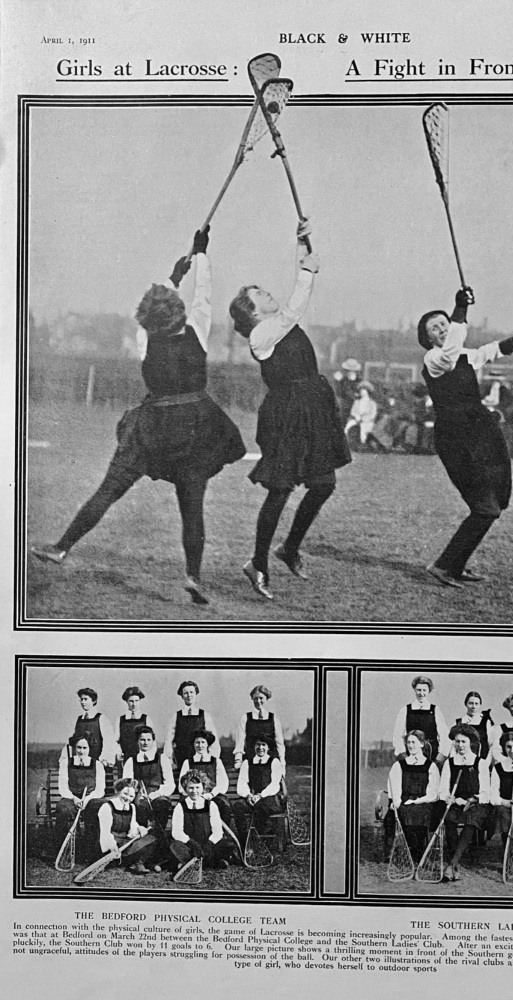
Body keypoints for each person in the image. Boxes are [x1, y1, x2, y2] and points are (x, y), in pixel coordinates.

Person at [31, 227, 246, 605]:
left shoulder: (146, 338)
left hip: (153, 426)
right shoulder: (197, 328)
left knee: (109, 490)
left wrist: (173, 275)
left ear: (147, 320)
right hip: (197, 425)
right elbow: (204, 295)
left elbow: (155, 308)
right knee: (192, 503)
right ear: (179, 312)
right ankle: (193, 575)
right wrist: (203, 256)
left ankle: (62, 547)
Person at [230, 220, 351, 600]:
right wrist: (305, 270)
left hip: (314, 406)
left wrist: (302, 246)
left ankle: (290, 547)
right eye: (261, 294)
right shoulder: (261, 334)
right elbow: (293, 309)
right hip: (286, 413)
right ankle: (258, 563)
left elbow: (292, 310)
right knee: (280, 489)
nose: (269, 294)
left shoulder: (279, 325)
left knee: (324, 484)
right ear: (252, 312)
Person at [418, 286, 513, 587]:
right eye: (434, 328)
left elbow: (491, 351)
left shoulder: (461, 354)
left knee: (492, 506)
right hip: (456, 440)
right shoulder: (435, 359)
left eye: (443, 323)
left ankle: (455, 565)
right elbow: (450, 352)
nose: (441, 329)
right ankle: (444, 565)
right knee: (485, 508)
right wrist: (460, 310)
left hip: (479, 433)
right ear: (429, 339)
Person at [439, 724, 491, 881]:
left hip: (475, 803)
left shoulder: (479, 762)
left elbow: (485, 792)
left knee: (471, 820)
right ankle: (455, 863)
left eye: (463, 742)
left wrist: (473, 799)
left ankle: (452, 863)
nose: (460, 745)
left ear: (471, 743)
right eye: (457, 741)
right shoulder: (450, 763)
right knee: (449, 819)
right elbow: (443, 788)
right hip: (454, 802)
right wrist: (447, 797)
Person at [385, 731, 440, 862]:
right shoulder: (399, 765)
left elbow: (432, 793)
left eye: (413, 742)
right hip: (403, 800)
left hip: (424, 801)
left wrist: (418, 801)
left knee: (418, 813)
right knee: (399, 813)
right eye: (408, 742)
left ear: (421, 744)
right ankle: (408, 850)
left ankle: (417, 850)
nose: (410, 745)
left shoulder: (430, 766)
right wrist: (396, 801)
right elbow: (394, 785)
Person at [170, 770, 233, 872]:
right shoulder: (180, 806)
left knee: (227, 843)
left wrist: (209, 844)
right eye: (190, 788)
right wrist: (192, 843)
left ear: (203, 788)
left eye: (197, 787)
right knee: (175, 845)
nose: (194, 791)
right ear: (185, 789)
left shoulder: (211, 805)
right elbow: (177, 832)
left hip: (207, 844)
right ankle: (192, 862)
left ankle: (210, 860)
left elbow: (217, 831)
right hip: (189, 845)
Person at [232, 735, 285, 847]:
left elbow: (275, 784)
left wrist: (260, 795)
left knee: (261, 809)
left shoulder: (274, 762)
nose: (260, 747)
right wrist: (249, 796)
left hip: (268, 798)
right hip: (251, 797)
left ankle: (254, 841)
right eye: (257, 744)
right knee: (237, 806)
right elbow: (242, 782)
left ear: (268, 747)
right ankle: (244, 839)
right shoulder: (247, 763)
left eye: (263, 745)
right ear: (253, 746)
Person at [94, 777, 155, 874]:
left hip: (124, 841)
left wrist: (138, 829)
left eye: (131, 796)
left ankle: (135, 863)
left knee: (150, 839)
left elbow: (131, 830)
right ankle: (114, 860)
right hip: (110, 841)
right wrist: (112, 846)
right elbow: (105, 832)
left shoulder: (131, 807)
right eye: (125, 794)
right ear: (118, 791)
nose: (127, 798)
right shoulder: (107, 806)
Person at [55, 735, 106, 850]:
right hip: (71, 798)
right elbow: (63, 787)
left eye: (85, 748)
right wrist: (74, 798)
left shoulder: (97, 765)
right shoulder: (66, 763)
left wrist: (86, 800)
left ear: (89, 749)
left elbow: (100, 789)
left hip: (91, 799)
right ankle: (64, 848)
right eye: (79, 747)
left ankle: (93, 848)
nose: (81, 751)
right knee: (63, 809)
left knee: (100, 807)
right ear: (74, 748)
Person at [121, 725, 175, 832]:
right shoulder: (131, 761)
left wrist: (157, 794)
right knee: (139, 806)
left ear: (153, 741)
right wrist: (137, 794)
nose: (146, 742)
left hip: (158, 795)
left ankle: (159, 837)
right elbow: (127, 785)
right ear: (137, 741)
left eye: (149, 740)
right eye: (142, 740)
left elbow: (170, 784)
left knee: (161, 804)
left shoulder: (162, 758)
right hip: (139, 797)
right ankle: (144, 838)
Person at [179, 729, 232, 827]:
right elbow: (182, 784)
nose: (200, 746)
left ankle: (221, 835)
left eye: (203, 742)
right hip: (192, 794)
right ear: (193, 744)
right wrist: (194, 794)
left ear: (207, 744)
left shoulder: (216, 761)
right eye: (197, 743)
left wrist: (211, 794)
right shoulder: (188, 762)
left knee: (223, 805)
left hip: (213, 795)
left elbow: (222, 783)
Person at [392, 675, 450, 764]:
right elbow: (398, 736)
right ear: (414, 690)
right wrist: (404, 757)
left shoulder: (435, 710)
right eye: (418, 690)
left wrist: (440, 757)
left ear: (429, 691)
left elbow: (444, 736)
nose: (421, 693)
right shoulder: (406, 710)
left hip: (432, 755)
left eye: (424, 690)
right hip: (411, 754)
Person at [165, 680, 220, 774]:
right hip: (181, 759)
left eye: (191, 692)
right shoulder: (176, 716)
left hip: (200, 759)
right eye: (185, 693)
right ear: (182, 696)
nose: (189, 695)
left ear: (196, 694)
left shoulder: (204, 715)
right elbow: (169, 740)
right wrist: (169, 760)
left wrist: (212, 758)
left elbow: (213, 739)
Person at [233, 685, 286, 771]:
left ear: (266, 698)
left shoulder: (274, 718)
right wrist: (238, 760)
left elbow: (279, 742)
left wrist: (282, 762)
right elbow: (240, 741)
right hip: (251, 760)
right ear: (252, 699)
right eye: (255, 698)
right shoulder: (245, 718)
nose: (258, 701)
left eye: (261, 698)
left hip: (271, 761)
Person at [62, 688, 117, 766]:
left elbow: (109, 742)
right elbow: (71, 742)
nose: (83, 702)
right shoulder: (78, 720)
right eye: (81, 699)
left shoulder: (101, 719)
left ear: (93, 701)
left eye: (86, 699)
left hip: (97, 763)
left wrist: (104, 760)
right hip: (81, 763)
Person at [114, 687, 155, 767]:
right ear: (126, 702)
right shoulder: (120, 720)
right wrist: (118, 752)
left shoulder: (146, 719)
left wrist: (149, 755)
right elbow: (116, 740)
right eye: (131, 701)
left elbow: (153, 741)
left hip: (143, 757)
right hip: (126, 757)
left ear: (140, 701)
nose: (134, 704)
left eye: (136, 701)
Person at [455, 691, 493, 760]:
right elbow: (454, 746)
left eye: (476, 704)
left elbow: (491, 745)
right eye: (471, 703)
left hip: (482, 761)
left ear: (480, 705)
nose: (473, 706)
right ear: (466, 704)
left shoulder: (486, 722)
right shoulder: (459, 722)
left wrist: (486, 763)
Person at [344, 382, 381, 450]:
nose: (362, 392)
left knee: (363, 428)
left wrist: (364, 419)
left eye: (364, 391)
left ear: (368, 392)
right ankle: (345, 442)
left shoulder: (372, 403)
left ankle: (362, 443)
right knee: (348, 426)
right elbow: (353, 411)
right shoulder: (357, 402)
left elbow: (373, 414)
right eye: (361, 391)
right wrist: (356, 416)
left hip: (367, 421)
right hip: (356, 419)